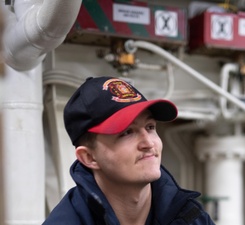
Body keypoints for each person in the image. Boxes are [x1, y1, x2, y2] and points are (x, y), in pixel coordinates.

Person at [43, 76, 215, 225]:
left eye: (150, 127)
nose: (148, 143)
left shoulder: (190, 217)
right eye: (127, 132)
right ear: (89, 157)